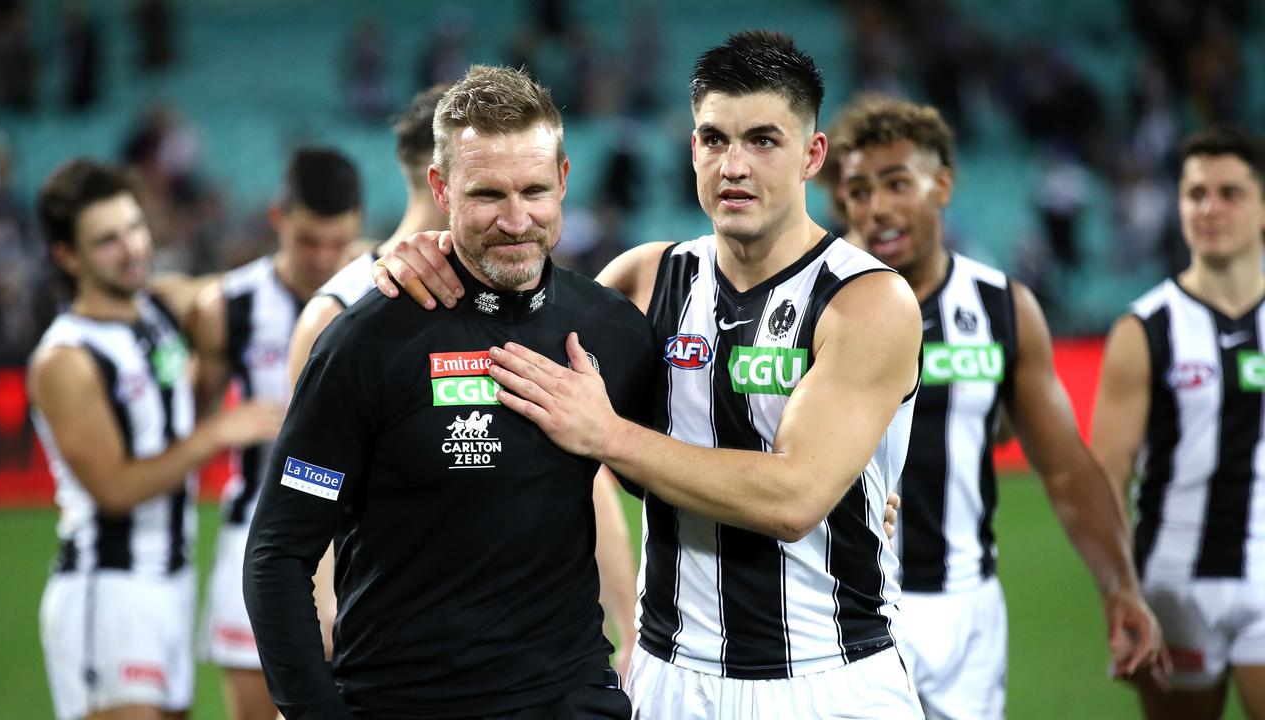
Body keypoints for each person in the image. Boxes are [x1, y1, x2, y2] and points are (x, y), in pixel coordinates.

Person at [375, 31, 925, 718]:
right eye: (714, 139)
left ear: (813, 154)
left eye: (763, 140)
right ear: (692, 148)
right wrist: (425, 258)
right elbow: (505, 335)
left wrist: (607, 435)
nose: (734, 166)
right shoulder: (645, 279)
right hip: (671, 679)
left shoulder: (867, 300)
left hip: (826, 678)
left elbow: (794, 499)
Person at [244, 64, 646, 719]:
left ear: (565, 181)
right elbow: (277, 554)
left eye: (535, 190)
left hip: (567, 700)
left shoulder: (611, 329)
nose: (517, 220)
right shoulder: (365, 341)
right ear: (442, 188)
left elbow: (687, 479)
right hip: (404, 703)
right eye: (488, 194)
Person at [815, 94, 1165, 718]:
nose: (878, 209)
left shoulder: (1003, 307)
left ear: (942, 184)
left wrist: (1120, 587)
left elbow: (1063, 467)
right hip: (837, 602)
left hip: (963, 611)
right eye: (860, 190)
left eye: (898, 183)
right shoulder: (811, 298)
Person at [29, 159, 280, 720]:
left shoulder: (159, 308)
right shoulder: (65, 358)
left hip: (171, 581)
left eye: (135, 228)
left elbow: (251, 289)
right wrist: (215, 433)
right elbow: (114, 487)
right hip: (109, 589)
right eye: (107, 241)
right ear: (67, 257)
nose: (132, 248)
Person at [1092, 125, 1265, 720]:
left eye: (1229, 193)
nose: (1209, 208)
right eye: (1195, 194)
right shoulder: (1144, 329)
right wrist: (1119, 591)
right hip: (1172, 581)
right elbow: (1107, 474)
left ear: (1263, 207)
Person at [191, 147, 363, 720]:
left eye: (336, 243)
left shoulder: (379, 293)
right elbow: (186, 419)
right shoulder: (228, 306)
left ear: (357, 227)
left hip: (353, 541)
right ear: (277, 218)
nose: (322, 258)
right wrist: (219, 428)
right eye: (307, 240)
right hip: (255, 535)